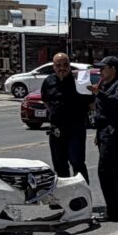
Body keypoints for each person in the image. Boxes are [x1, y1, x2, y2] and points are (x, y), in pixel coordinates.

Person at [91, 55, 118, 222]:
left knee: (106, 170)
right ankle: (115, 209)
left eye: (103, 68)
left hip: (115, 131)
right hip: (105, 131)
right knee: (110, 170)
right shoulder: (106, 83)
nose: (100, 71)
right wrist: (97, 134)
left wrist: (99, 94)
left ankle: (116, 210)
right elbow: (102, 111)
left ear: (113, 69)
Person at [41, 53, 91, 181]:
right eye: (58, 65)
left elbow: (91, 103)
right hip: (57, 131)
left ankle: (82, 197)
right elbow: (45, 100)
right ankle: (66, 198)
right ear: (54, 67)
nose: (62, 68)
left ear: (69, 65)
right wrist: (54, 112)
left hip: (75, 129)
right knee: (60, 166)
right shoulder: (48, 81)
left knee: (77, 163)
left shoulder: (78, 82)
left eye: (65, 65)